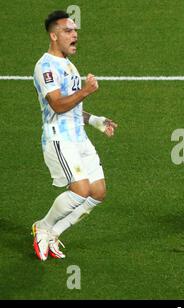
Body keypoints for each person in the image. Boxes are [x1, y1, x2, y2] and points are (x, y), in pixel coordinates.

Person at [31, 10, 118, 261]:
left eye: (75, 31)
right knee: (80, 190)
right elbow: (58, 105)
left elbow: (72, 107)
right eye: (68, 31)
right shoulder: (45, 66)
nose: (75, 35)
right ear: (53, 35)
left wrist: (96, 121)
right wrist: (86, 91)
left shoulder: (69, 64)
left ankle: (54, 233)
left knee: (98, 192)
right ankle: (43, 227)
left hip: (79, 137)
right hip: (60, 138)